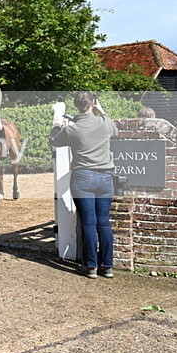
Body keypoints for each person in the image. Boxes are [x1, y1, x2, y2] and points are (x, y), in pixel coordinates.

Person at [49, 91, 118, 279]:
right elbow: (115, 131)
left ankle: (91, 266)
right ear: (93, 103)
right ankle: (107, 266)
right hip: (105, 177)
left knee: (88, 223)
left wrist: (56, 125)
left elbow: (53, 141)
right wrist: (102, 111)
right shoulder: (104, 123)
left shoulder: (72, 129)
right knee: (103, 223)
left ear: (76, 106)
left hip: (83, 177)